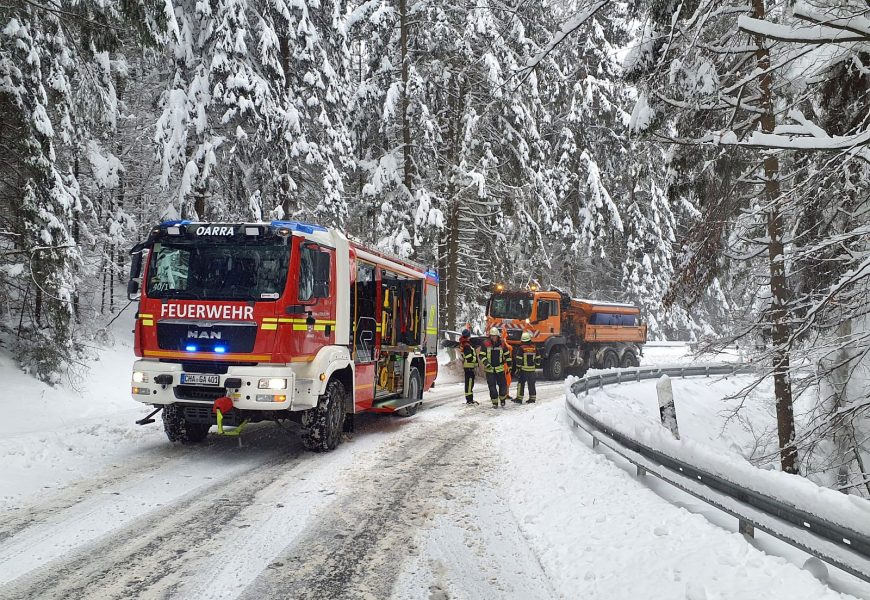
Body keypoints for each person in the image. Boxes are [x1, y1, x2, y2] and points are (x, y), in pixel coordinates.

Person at [479, 327, 512, 408]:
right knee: (492, 387)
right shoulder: (485, 343)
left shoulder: (502, 343)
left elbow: (507, 355)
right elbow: (481, 355)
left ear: (498, 336)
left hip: (500, 369)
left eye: (495, 336)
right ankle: (495, 403)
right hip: (490, 370)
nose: (493, 337)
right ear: (490, 336)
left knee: (503, 385)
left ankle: (503, 400)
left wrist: (509, 365)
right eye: (492, 336)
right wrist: (486, 363)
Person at [513, 331, 541, 403]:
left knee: (521, 384)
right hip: (532, 370)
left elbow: (519, 359)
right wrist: (536, 366)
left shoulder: (521, 348)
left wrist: (518, 368)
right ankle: (532, 398)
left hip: (523, 370)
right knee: (531, 384)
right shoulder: (534, 348)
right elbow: (538, 358)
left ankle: (519, 399)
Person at [459, 329, 478, 405]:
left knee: (468, 384)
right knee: (470, 384)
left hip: (468, 367)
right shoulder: (466, 345)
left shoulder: (465, 344)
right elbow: (469, 357)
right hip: (469, 367)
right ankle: (469, 400)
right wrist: (475, 360)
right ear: (468, 336)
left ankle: (469, 399)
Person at [501, 326, 514, 400]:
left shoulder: (504, 343)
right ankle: (505, 394)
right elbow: (509, 348)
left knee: (507, 379)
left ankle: (506, 394)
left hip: (506, 363)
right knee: (506, 379)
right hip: (504, 364)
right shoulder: (503, 344)